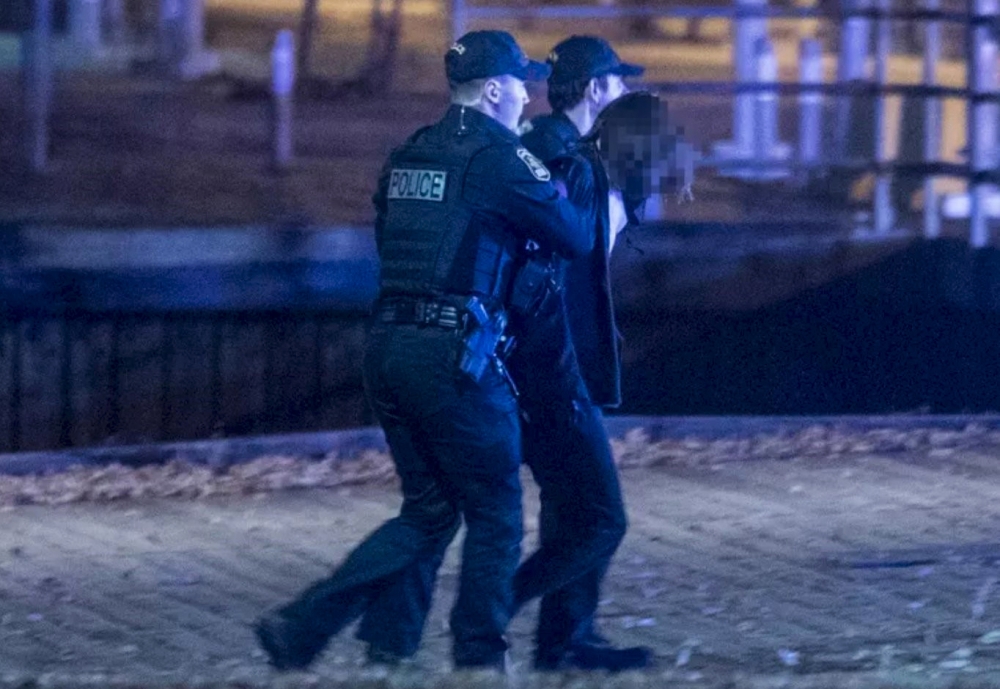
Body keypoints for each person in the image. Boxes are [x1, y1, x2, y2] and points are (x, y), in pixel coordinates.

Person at [253, 29, 590, 674]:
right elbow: (571, 234)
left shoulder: (411, 152)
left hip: (389, 348)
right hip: (452, 357)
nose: (529, 95)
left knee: (429, 509)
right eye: (522, 83)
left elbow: (396, 237)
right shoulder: (499, 157)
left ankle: (356, 640)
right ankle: (480, 657)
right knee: (495, 509)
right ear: (494, 90)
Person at [506, 35, 654, 672]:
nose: (622, 94)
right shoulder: (569, 160)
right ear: (595, 91)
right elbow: (578, 247)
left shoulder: (542, 148)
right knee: (602, 518)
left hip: (542, 359)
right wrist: (631, 189)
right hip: (555, 363)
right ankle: (490, 609)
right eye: (616, 84)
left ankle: (567, 643)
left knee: (572, 512)